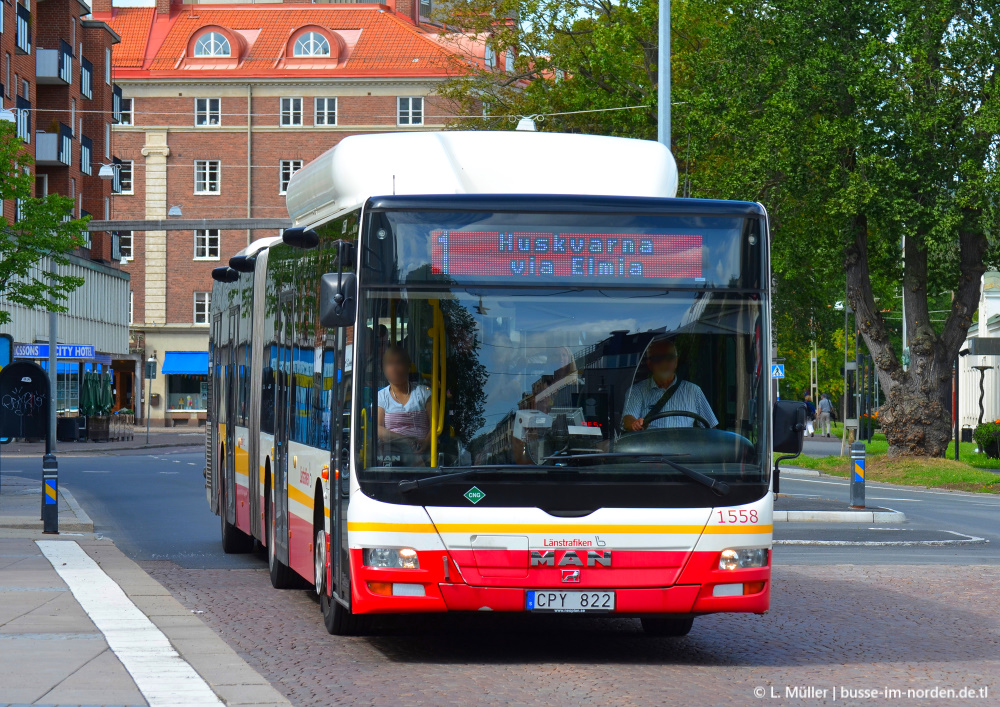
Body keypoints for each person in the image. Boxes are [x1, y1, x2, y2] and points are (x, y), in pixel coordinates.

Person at [621, 338, 718, 431]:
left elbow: (711, 428)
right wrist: (635, 424)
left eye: (669, 358)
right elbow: (628, 419)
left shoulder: (693, 391)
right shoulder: (637, 391)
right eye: (657, 359)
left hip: (684, 447)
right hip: (650, 446)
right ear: (649, 364)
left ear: (676, 362)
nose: (664, 363)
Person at [377, 346, 432, 462]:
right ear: (384, 368)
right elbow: (378, 429)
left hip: (425, 452)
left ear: (408, 366)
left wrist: (426, 443)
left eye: (399, 362)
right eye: (389, 363)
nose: (394, 368)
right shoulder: (381, 397)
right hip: (394, 454)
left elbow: (435, 425)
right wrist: (405, 440)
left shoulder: (423, 393)